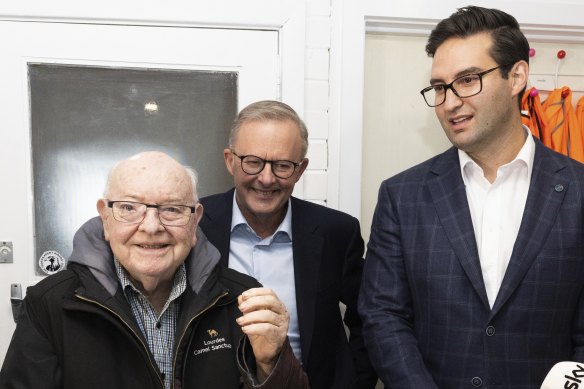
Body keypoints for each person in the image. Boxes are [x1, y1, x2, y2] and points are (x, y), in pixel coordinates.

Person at [358, 6, 584, 389]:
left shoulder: (578, 190)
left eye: (467, 80)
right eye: (440, 87)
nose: (449, 102)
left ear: (516, 76)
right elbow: (383, 316)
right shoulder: (402, 196)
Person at [0, 151, 308, 389]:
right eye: (129, 208)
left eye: (172, 209)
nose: (151, 227)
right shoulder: (48, 304)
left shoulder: (240, 297)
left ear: (195, 220)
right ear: (105, 217)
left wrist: (272, 364)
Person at [199, 100, 377, 388]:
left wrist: (355, 382)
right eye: (253, 162)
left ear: (301, 168)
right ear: (230, 160)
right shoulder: (193, 226)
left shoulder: (336, 232)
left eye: (282, 165)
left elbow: (370, 317)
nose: (266, 178)